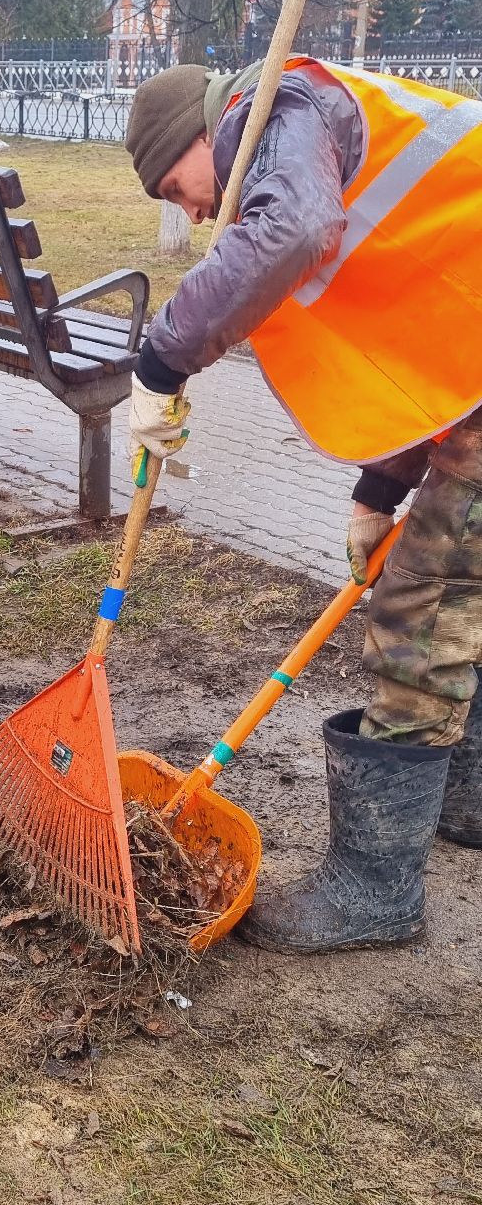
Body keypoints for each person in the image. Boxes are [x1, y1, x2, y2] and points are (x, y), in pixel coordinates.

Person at [124, 56, 482, 953]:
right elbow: (424, 344)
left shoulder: (278, 107)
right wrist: (381, 487)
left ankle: (373, 892)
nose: (197, 212)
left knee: (423, 607)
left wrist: (162, 360)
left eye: (181, 186)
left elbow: (294, 232)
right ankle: (466, 800)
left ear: (207, 136)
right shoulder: (299, 122)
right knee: (465, 591)